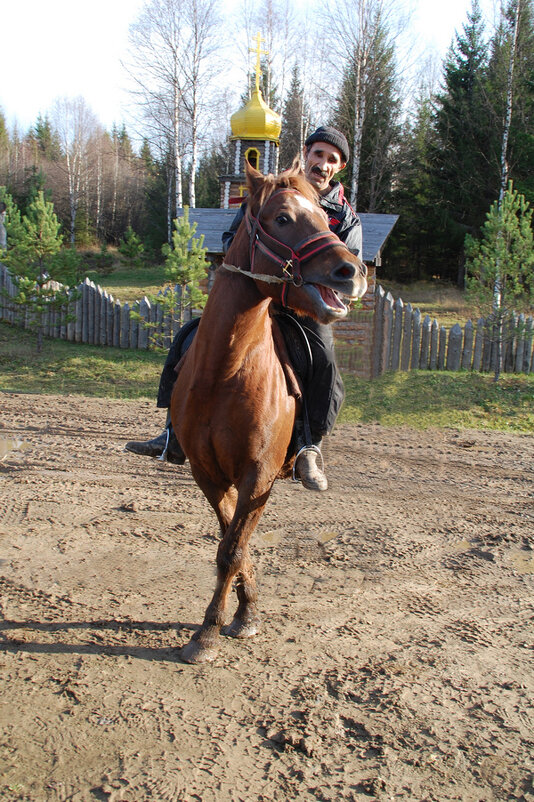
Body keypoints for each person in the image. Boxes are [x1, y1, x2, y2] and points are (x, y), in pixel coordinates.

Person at [125, 125, 364, 491]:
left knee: (325, 359)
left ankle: (308, 446)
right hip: (258, 293)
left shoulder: (344, 216)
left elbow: (348, 259)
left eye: (332, 160)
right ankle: (173, 432)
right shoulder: (273, 191)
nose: (323, 164)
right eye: (318, 154)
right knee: (191, 337)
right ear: (307, 153)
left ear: (339, 168)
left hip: (303, 303)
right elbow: (233, 237)